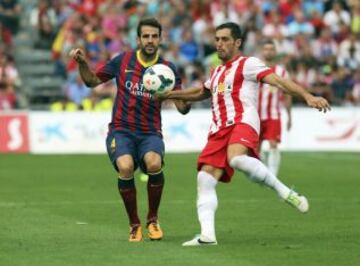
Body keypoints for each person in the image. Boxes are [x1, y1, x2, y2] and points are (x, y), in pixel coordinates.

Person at [158, 22, 330, 246]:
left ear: (237, 42)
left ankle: (284, 192)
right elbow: (202, 92)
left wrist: (307, 96)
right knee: (205, 178)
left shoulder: (249, 64)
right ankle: (208, 236)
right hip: (218, 129)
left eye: (225, 39)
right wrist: (170, 94)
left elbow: (278, 81)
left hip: (243, 121)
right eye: (217, 39)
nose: (219, 44)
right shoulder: (217, 71)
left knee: (237, 158)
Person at [69, 18, 190, 242]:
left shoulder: (167, 69)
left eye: (154, 36)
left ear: (160, 38)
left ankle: (152, 220)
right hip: (121, 130)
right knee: (125, 167)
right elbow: (92, 81)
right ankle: (134, 225)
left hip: (150, 132)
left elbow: (183, 109)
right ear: (138, 39)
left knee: (153, 164)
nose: (150, 40)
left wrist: (173, 94)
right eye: (146, 36)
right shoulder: (123, 61)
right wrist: (83, 63)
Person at [258, 39, 292, 175]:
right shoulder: (256, 69)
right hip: (255, 115)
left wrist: (290, 117)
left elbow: (288, 95)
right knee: (255, 147)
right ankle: (263, 169)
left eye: (271, 49)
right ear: (262, 51)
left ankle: (273, 173)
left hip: (273, 115)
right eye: (266, 49)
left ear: (275, 52)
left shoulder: (282, 72)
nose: (268, 51)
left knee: (273, 144)